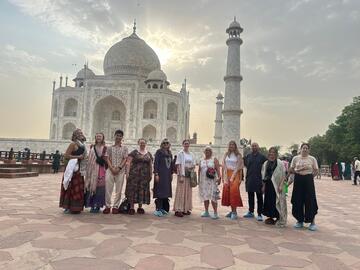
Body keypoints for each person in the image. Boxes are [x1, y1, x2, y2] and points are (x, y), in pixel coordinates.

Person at [289, 143, 319, 231]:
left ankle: (312, 222)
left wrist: (310, 177)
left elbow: (316, 170)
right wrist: (297, 170)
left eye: (306, 148)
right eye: (303, 148)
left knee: (310, 200)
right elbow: (291, 169)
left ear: (309, 150)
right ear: (300, 149)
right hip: (298, 180)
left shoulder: (312, 159)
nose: (305, 149)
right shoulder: (295, 158)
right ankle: (299, 220)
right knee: (297, 200)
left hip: (308, 180)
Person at [59, 129, 87, 214]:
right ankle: (67, 206)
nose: (80, 134)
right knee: (70, 187)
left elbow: (84, 156)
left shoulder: (82, 145)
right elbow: (66, 155)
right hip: (72, 169)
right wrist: (78, 157)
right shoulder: (73, 144)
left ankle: (76, 207)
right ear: (75, 135)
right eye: (78, 133)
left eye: (81, 133)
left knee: (78, 187)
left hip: (79, 169)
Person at [125, 138, 153, 215]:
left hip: (144, 176)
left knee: (142, 190)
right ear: (138, 143)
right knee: (133, 190)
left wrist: (151, 174)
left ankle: (140, 207)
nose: (142, 144)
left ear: (146, 144)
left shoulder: (148, 153)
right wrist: (127, 173)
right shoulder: (134, 152)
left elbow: (150, 165)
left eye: (144, 143)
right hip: (134, 175)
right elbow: (128, 163)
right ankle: (131, 207)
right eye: (141, 143)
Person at [103, 130, 128, 214]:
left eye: (120, 136)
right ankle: (107, 206)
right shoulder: (110, 148)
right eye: (117, 135)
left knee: (119, 189)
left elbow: (125, 159)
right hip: (110, 170)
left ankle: (115, 206)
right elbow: (107, 158)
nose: (118, 137)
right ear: (114, 136)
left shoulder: (125, 148)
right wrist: (112, 168)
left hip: (120, 171)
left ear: (122, 137)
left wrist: (119, 168)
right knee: (108, 189)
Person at [261, 147, 287, 227]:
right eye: (270, 152)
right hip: (269, 185)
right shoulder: (266, 163)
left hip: (277, 185)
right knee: (269, 201)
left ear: (276, 154)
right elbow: (264, 175)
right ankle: (270, 217)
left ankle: (279, 217)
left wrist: (281, 185)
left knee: (278, 201)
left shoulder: (280, 163)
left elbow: (284, 175)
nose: (272, 154)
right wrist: (263, 186)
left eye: (273, 152)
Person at [243, 142, 267, 221]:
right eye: (252, 146)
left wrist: (264, 182)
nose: (254, 147)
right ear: (251, 148)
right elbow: (245, 165)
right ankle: (251, 211)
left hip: (259, 179)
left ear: (258, 147)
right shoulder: (248, 156)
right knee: (250, 196)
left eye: (255, 146)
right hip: (250, 178)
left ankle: (260, 214)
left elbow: (266, 168)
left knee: (259, 197)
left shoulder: (262, 157)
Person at [85, 133, 107, 213]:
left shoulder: (105, 148)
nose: (98, 138)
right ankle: (92, 204)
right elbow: (89, 158)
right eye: (97, 136)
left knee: (100, 188)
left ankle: (97, 205)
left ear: (103, 138)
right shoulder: (92, 147)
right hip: (92, 169)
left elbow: (106, 159)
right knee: (92, 187)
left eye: (100, 136)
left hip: (101, 170)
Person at [221, 141, 244, 220]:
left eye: (233, 145)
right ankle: (232, 211)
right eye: (230, 144)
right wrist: (223, 178)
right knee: (228, 193)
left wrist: (240, 178)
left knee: (234, 192)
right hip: (227, 174)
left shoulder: (238, 155)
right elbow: (223, 166)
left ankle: (234, 212)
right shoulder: (226, 154)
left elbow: (240, 168)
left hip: (235, 174)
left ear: (235, 146)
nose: (231, 146)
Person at [173, 139, 195, 217]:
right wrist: (180, 175)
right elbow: (178, 165)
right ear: (183, 144)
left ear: (189, 145)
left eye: (187, 144)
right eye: (185, 143)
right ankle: (178, 209)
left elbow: (194, 164)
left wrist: (191, 168)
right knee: (181, 192)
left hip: (189, 175)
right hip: (182, 174)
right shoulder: (180, 153)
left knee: (187, 192)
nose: (186, 145)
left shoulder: (191, 154)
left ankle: (185, 208)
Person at [198, 146, 221, 219]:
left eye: (209, 150)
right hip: (204, 181)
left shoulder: (214, 159)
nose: (207, 152)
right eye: (206, 150)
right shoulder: (201, 160)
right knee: (205, 196)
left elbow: (218, 169)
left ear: (211, 151)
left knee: (213, 196)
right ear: (204, 152)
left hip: (212, 181)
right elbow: (199, 170)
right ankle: (206, 211)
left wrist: (219, 177)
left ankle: (215, 212)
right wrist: (199, 180)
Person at [153, 138, 174, 217]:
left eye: (167, 143)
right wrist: (156, 174)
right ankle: (158, 209)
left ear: (169, 145)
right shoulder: (159, 152)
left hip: (167, 175)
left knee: (165, 192)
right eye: (164, 143)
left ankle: (162, 209)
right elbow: (156, 163)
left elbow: (171, 165)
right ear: (162, 144)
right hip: (160, 175)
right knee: (159, 191)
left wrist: (171, 174)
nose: (165, 144)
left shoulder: (169, 153)